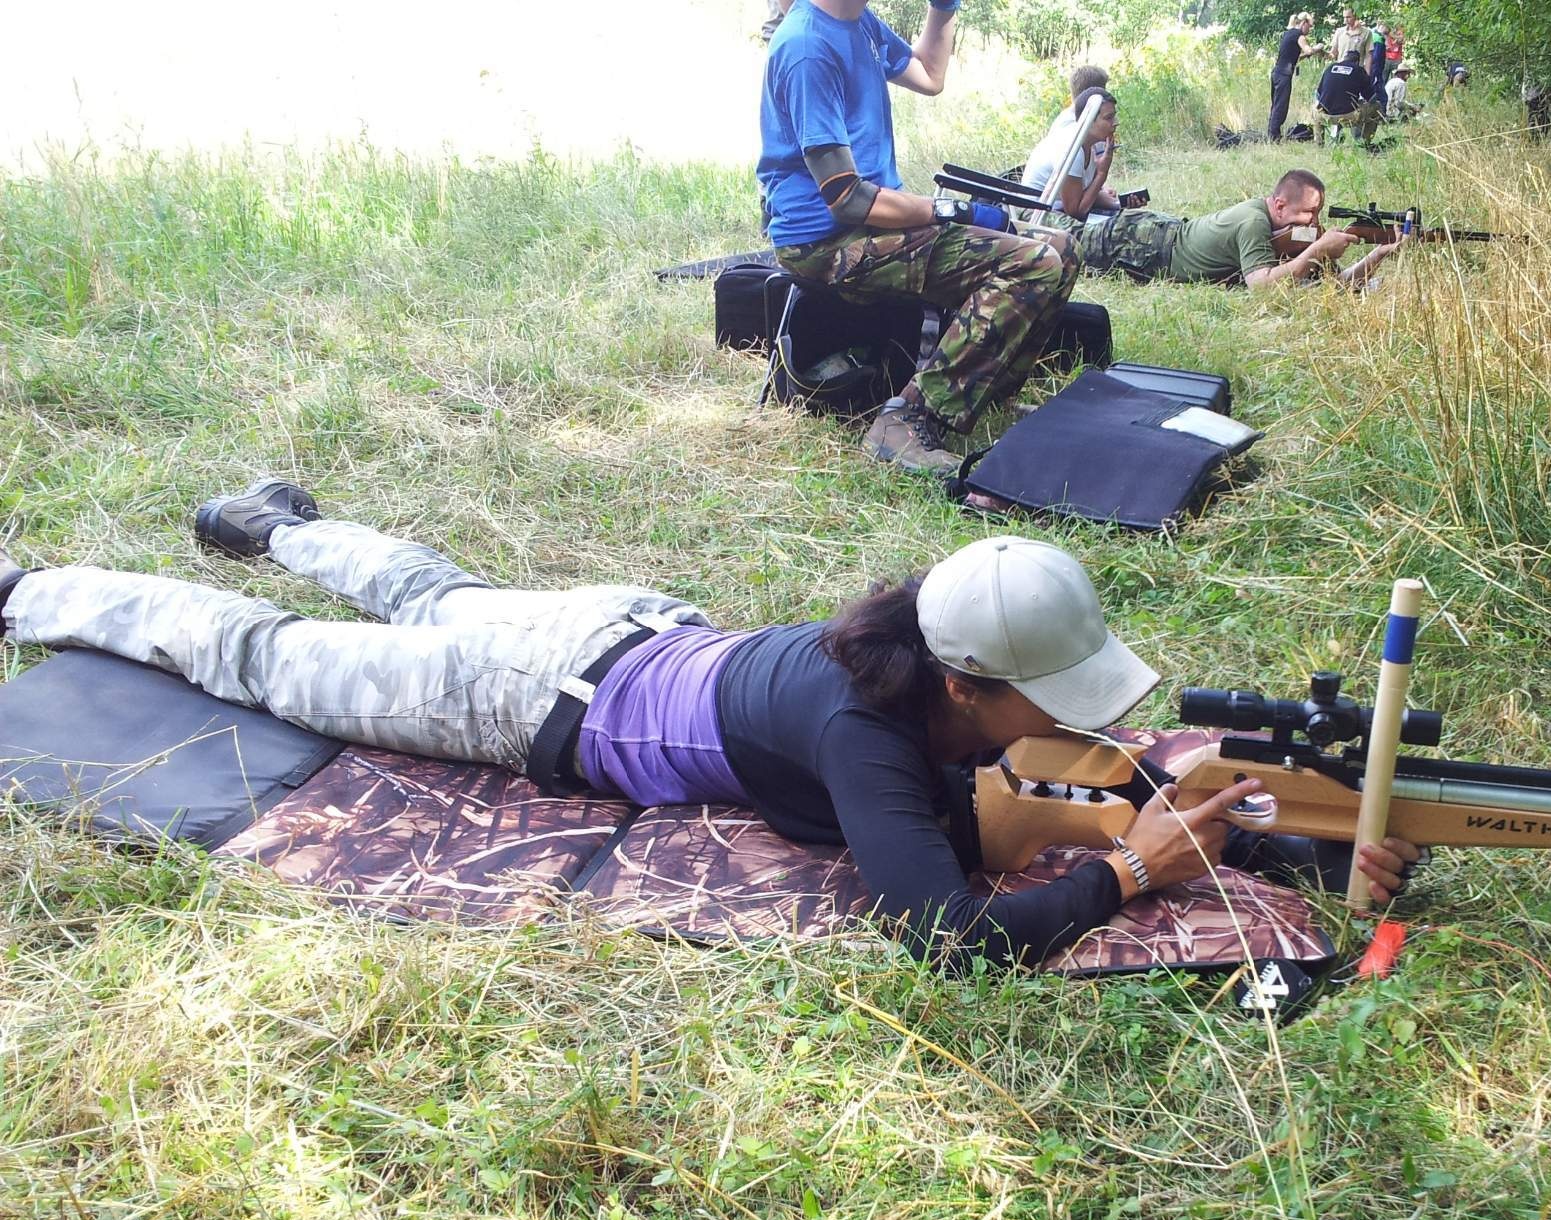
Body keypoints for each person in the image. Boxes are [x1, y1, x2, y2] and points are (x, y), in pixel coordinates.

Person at [0, 486, 1421, 969]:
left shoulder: (927, 657)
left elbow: (1095, 783)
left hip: (623, 626)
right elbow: (940, 938)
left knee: (432, 589)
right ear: (968, 687)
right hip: (533, 699)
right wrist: (1123, 877)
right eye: (1049, 699)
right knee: (267, 658)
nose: (1074, 723)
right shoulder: (868, 735)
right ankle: (32, 588)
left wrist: (1294, 840)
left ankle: (283, 522)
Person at [758, 0, 1081, 474]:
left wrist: (943, 7)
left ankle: (988, 393)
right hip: (827, 243)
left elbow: (929, 75)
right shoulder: (807, 47)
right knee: (1034, 263)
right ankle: (906, 420)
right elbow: (846, 197)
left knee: (1062, 249)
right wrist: (955, 210)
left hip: (873, 221)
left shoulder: (858, 21)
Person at [1069, 169, 1367, 288]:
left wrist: (1379, 252)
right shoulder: (1254, 222)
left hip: (1165, 233)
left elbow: (1338, 282)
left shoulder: (1274, 222)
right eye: (1309, 213)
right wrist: (1317, 250)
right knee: (1067, 239)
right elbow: (1261, 287)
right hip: (1145, 243)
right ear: (1279, 205)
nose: (1313, 222)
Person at [1023, 80, 1120, 216]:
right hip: (1034, 214)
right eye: (1109, 117)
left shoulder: (1088, 143)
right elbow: (1075, 212)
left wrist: (1118, 204)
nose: (1116, 123)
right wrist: (1101, 173)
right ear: (1088, 120)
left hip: (1057, 210)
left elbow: (1086, 196)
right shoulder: (1072, 149)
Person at [1268, 13, 1323, 143]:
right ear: (1303, 23)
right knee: (1281, 107)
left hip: (1276, 73)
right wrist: (1317, 48)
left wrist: (1307, 54)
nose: (1309, 30)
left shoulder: (1288, 34)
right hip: (1284, 75)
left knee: (1275, 105)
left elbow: (1294, 57)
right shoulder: (1299, 35)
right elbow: (1308, 50)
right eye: (1309, 26)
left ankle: (1272, 134)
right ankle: (1274, 137)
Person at [1315, 48, 1382, 145]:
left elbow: (1318, 95)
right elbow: (1372, 98)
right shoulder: (1359, 70)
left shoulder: (1330, 67)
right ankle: (1364, 142)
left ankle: (1319, 143)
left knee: (1316, 110)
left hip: (1326, 115)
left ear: (1344, 59)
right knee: (1377, 107)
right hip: (1348, 116)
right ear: (1357, 62)